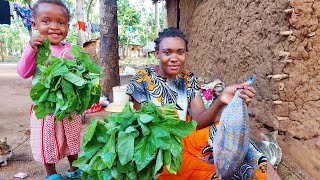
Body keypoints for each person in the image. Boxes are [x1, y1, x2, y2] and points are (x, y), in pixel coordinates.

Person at [127, 27, 281, 179]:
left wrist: (220, 100)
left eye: (180, 52)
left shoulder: (188, 79)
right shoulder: (142, 80)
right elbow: (145, 128)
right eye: (167, 52)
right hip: (163, 146)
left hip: (188, 136)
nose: (174, 58)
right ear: (157, 54)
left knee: (235, 136)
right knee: (203, 172)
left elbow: (199, 121)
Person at [16, 0, 82, 179]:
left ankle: (74, 168)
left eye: (60, 22)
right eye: (46, 21)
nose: (54, 27)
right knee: (47, 142)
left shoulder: (71, 50)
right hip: (46, 107)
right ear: (35, 24)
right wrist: (30, 49)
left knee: (72, 139)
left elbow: (79, 75)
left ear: (67, 26)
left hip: (68, 106)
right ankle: (51, 173)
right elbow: (23, 72)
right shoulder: (36, 48)